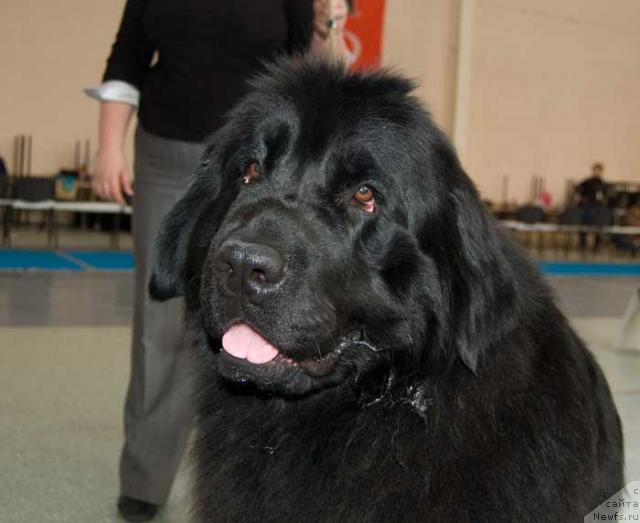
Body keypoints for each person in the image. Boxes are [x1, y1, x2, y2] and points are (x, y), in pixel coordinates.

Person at [88, 1, 351, 520]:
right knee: (159, 323)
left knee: (262, 326)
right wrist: (108, 148)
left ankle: (252, 476)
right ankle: (145, 476)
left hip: (260, 171)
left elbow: (318, 75)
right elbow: (126, 62)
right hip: (166, 153)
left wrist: (328, 23)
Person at [575, 162, 609, 251]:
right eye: (595, 170)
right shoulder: (588, 182)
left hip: (598, 209)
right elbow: (578, 189)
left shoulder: (603, 183)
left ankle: (597, 246)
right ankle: (583, 244)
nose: (597, 172)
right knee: (582, 223)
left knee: (601, 224)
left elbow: (606, 196)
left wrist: (603, 200)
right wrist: (583, 197)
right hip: (588, 208)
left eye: (599, 171)